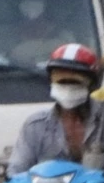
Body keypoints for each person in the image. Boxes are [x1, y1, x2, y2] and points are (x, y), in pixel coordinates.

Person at [8, 44, 104, 175]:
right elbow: (17, 171)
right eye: (61, 80)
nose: (68, 86)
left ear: (93, 84)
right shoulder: (36, 126)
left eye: (75, 81)